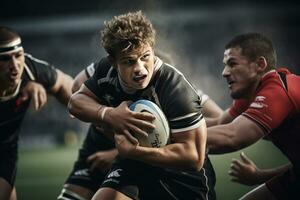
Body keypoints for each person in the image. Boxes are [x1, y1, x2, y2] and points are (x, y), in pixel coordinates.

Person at [68, 11, 216, 200]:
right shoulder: (105, 70)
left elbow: (193, 157)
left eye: (145, 56)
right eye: (129, 61)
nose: (140, 68)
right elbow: (76, 102)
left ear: (153, 49)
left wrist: (133, 151)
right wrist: (109, 114)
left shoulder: (174, 88)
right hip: (134, 162)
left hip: (182, 176)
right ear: (113, 61)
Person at [206, 32, 300, 199]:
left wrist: (169, 134)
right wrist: (169, 121)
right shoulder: (251, 93)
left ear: (260, 64)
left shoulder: (276, 91)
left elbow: (232, 136)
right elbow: (219, 123)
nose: (224, 72)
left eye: (232, 64)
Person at [0, 26, 73, 200]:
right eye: (4, 59)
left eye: (18, 55)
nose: (15, 65)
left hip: (4, 152)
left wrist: (95, 115)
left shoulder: (30, 69)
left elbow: (65, 84)